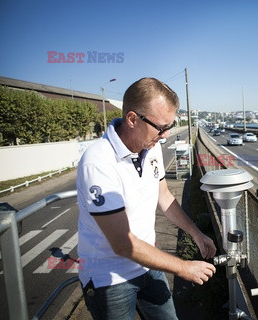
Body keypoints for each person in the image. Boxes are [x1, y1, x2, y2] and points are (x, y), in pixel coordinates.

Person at [77, 77, 217, 319]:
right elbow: (122, 244)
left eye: (170, 126)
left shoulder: (150, 147)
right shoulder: (98, 162)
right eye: (161, 127)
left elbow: (163, 195)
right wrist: (183, 267)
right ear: (132, 119)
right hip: (109, 277)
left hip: (148, 263)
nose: (166, 135)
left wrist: (196, 234)